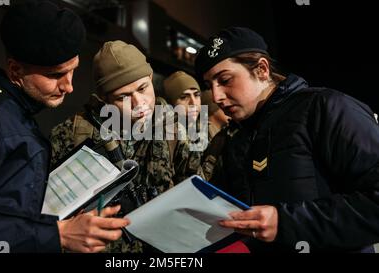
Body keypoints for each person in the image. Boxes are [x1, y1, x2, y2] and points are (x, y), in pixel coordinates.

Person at [0, 1, 128, 253]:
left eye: (73, 71)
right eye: (56, 75)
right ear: (15, 70)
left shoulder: (10, 114)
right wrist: (57, 234)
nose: (69, 87)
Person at [194, 26, 379, 252]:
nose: (216, 97)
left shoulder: (326, 108)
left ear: (262, 69)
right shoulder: (236, 139)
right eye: (208, 86)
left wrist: (286, 223)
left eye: (225, 80)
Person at [50, 40, 201, 252]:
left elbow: (195, 192)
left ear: (150, 78)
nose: (140, 103)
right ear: (104, 98)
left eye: (143, 88)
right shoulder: (72, 134)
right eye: (123, 96)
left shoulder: (175, 129)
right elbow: (52, 215)